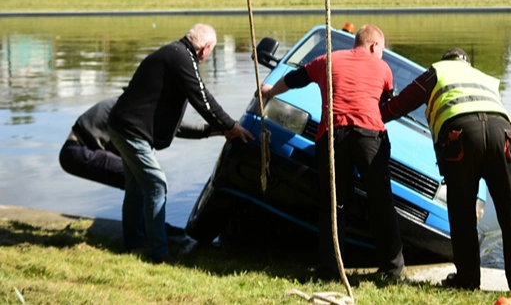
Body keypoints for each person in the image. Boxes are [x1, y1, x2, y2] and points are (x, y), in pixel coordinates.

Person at [381, 48, 511, 295]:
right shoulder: (483, 77)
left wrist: (374, 116)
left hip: (461, 136)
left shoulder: (437, 72)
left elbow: (402, 104)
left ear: (447, 61)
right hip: (503, 135)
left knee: (462, 213)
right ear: (467, 62)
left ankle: (467, 279)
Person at [260, 25, 405, 281]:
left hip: (333, 135)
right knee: (381, 201)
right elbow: (385, 106)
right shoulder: (383, 69)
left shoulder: (328, 59)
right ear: (374, 46)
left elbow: (295, 79)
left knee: (334, 203)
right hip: (369, 136)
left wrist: (270, 92)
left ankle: (331, 269)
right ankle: (393, 269)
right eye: (381, 49)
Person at [107, 24, 254, 264]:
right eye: (211, 51)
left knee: (136, 188)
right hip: (131, 130)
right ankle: (158, 253)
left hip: (122, 126)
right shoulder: (182, 58)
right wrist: (230, 125)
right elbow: (202, 97)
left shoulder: (174, 53)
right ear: (205, 48)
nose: (208, 57)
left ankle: (133, 243)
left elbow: (179, 116)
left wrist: (216, 130)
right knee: (156, 184)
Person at [60, 97, 216, 191]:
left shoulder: (129, 102)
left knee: (139, 177)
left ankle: (142, 228)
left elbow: (170, 127)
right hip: (78, 151)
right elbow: (178, 127)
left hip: (78, 150)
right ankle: (149, 229)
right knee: (143, 178)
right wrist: (215, 129)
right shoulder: (129, 107)